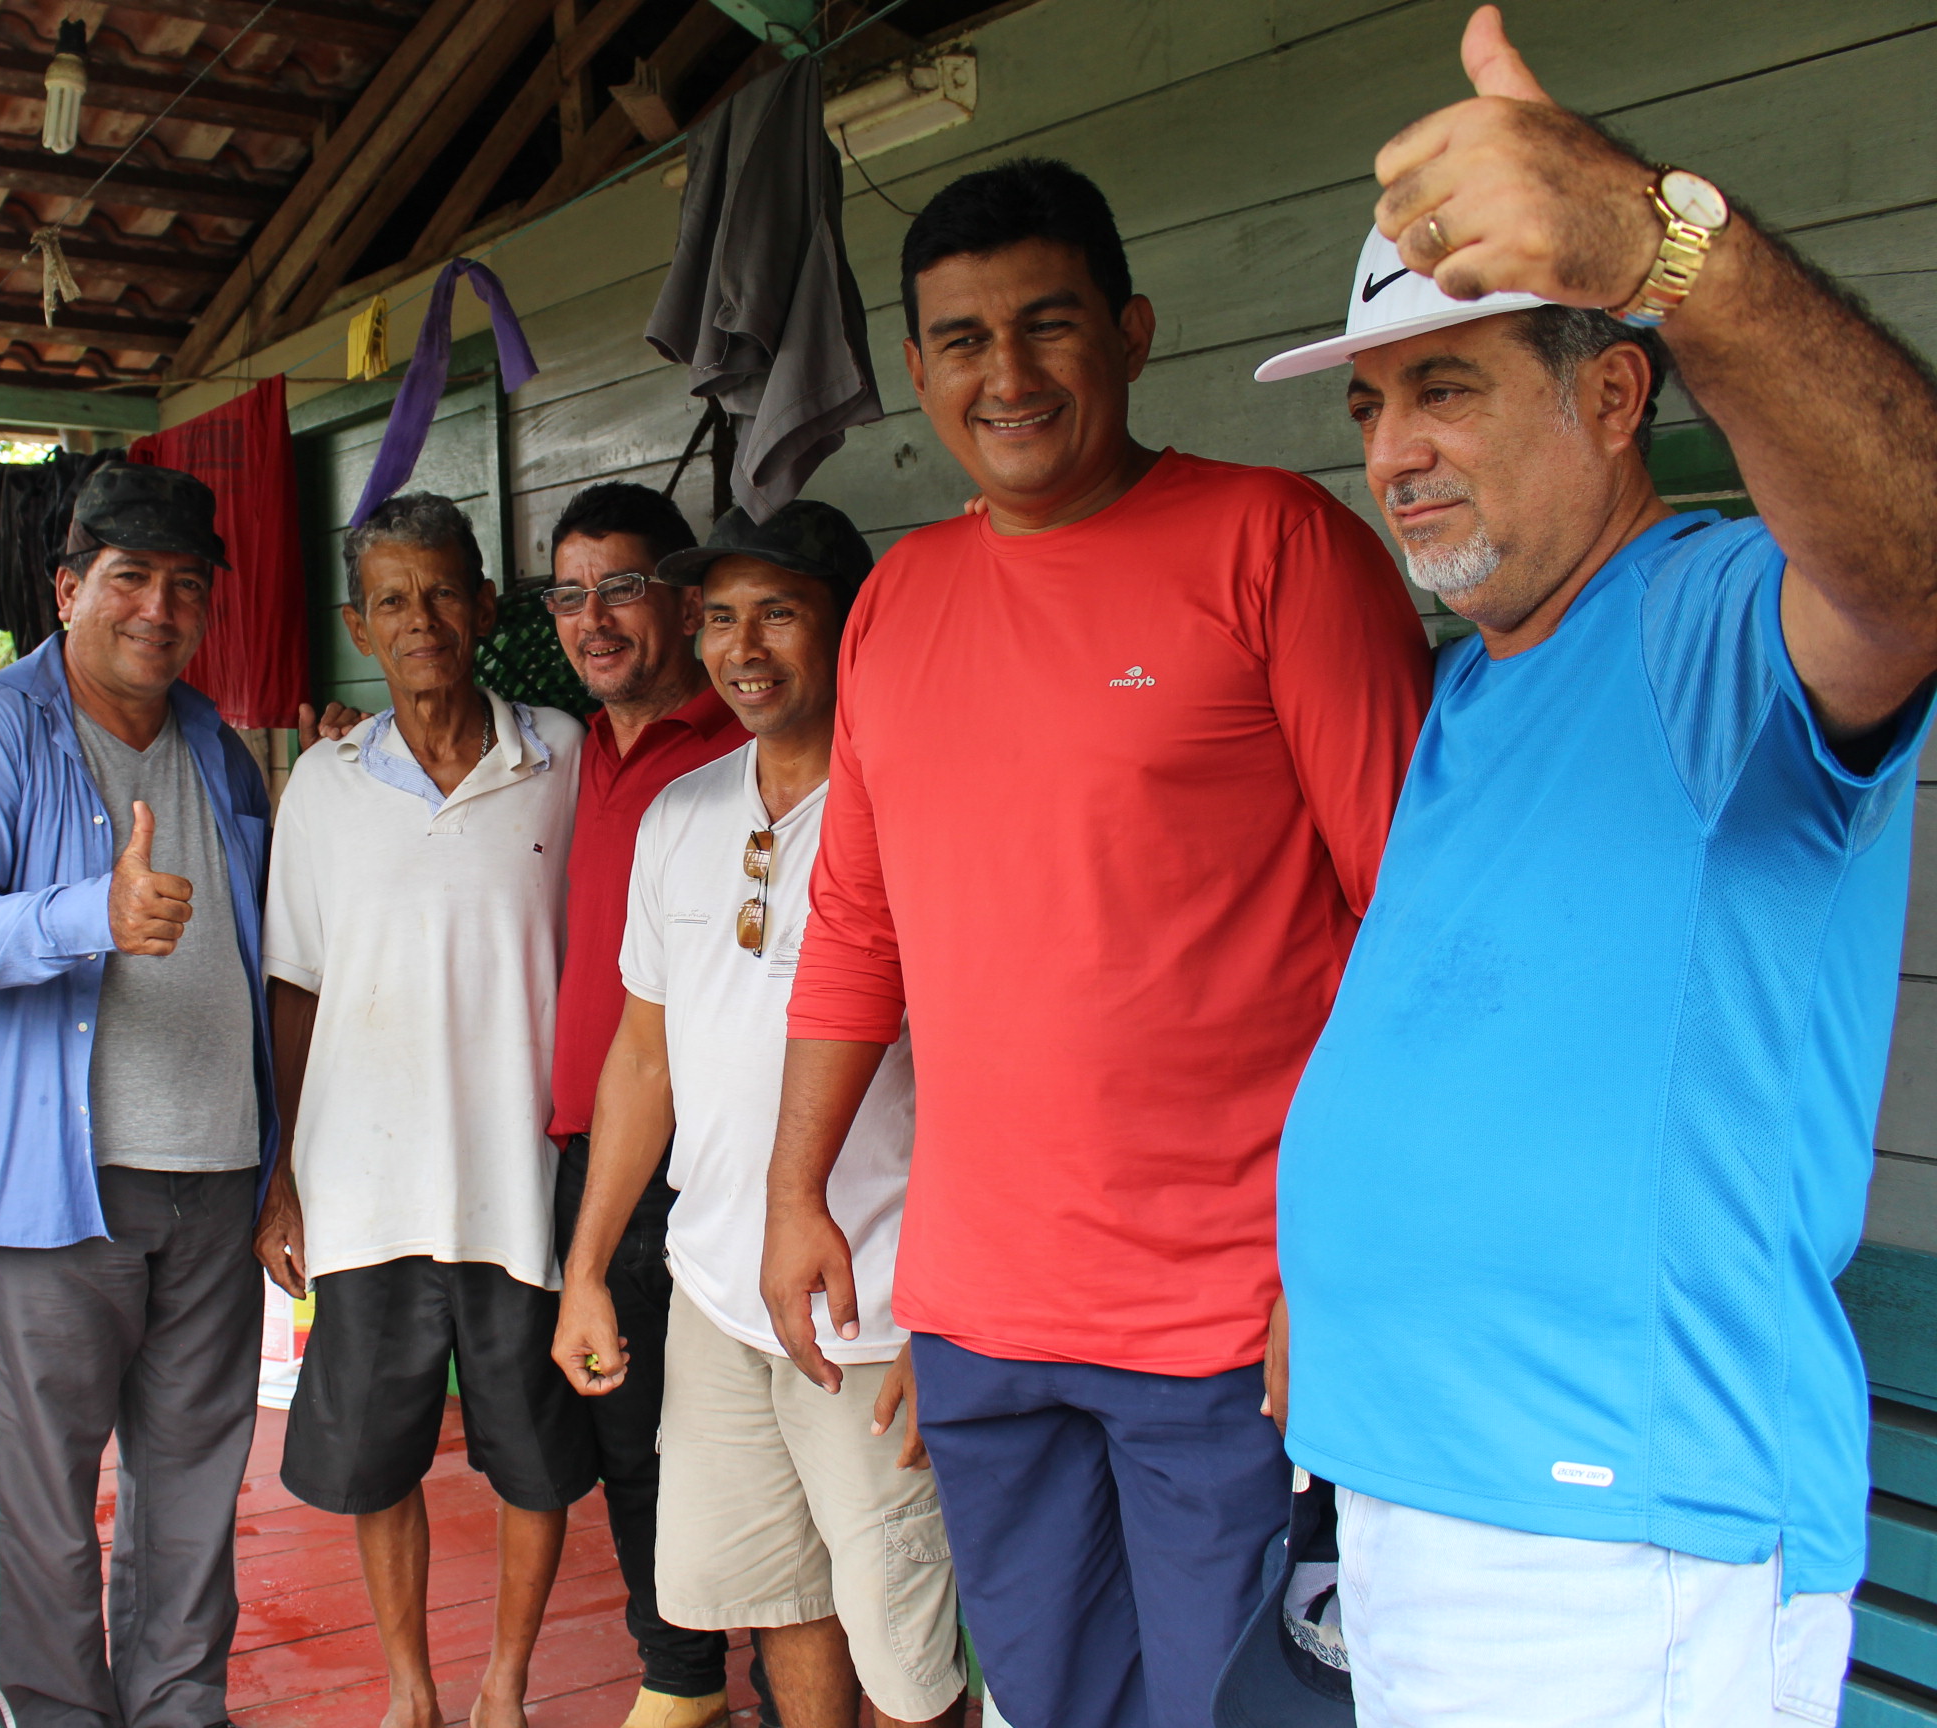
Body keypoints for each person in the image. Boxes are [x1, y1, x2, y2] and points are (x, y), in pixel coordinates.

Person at [1260, 10, 1937, 1725]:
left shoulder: (1700, 618)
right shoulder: (1484, 669)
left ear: (1617, 389)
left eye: (1447, 384)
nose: (1392, 447)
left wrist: (1663, 245)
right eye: (1369, 400)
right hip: (1422, 1488)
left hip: (1611, 1538)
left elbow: (1910, 573)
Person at [760, 157, 1435, 1728]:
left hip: (1228, 1318)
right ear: (918, 371)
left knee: (1239, 1708)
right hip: (986, 1313)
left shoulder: (1275, 546)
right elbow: (859, 925)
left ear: (1130, 333)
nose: (1008, 375)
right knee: (1054, 1703)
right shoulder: (897, 602)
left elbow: (1411, 923)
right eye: (964, 340)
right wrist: (797, 1192)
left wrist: (1338, 1254)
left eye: (1048, 326)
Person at [553, 500, 967, 1728]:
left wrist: (952, 1309)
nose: (744, 647)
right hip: (718, 1295)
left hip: (879, 1307)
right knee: (780, 1603)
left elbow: (979, 1070)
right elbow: (642, 1063)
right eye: (721, 616)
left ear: (850, 628)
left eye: (779, 613)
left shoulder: (919, 804)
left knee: (905, 1647)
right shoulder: (682, 815)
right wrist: (586, 1269)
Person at [0, 463, 276, 1728]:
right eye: (128, 580)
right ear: (69, 589)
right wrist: (87, 915)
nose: (157, 609)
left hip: (218, 1176)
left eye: (185, 586)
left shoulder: (219, 748)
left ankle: (179, 1706)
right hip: (63, 1185)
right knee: (46, 1496)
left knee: (192, 1481)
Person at [254, 492, 594, 1728]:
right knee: (374, 1455)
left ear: (486, 604)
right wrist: (282, 1177)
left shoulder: (561, 757)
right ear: (358, 622)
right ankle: (411, 1690)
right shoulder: (326, 789)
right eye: (392, 600)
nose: (422, 620)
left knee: (536, 1453)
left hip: (522, 1179)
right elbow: (294, 991)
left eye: (444, 592)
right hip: (361, 1186)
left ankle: (504, 1685)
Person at [539, 480, 755, 1728]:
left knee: (739, 1423)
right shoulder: (573, 748)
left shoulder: (740, 745)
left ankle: (782, 1681)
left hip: (716, 1146)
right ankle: (677, 1677)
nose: (595, 618)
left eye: (622, 586)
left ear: (678, 599)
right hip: (595, 1144)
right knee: (626, 1434)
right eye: (570, 595)